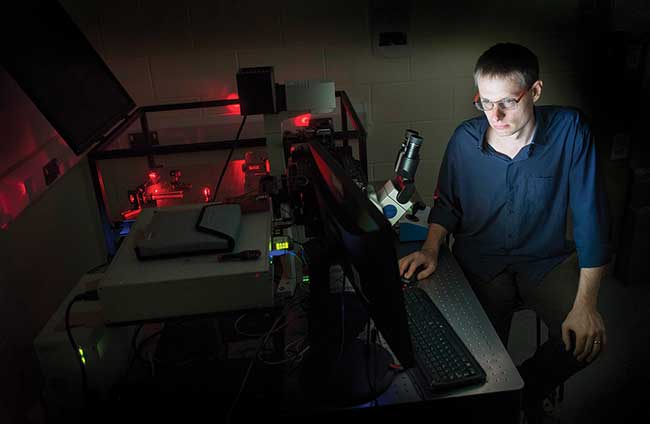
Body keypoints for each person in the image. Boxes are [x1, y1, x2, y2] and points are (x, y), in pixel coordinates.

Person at [398, 42, 611, 423]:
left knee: (586, 341)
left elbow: (591, 219)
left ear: (536, 91)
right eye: (485, 102)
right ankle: (498, 396)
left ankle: (527, 389)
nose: (494, 115)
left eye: (508, 102)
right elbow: (447, 204)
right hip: (482, 261)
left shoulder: (570, 130)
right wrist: (431, 248)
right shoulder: (465, 139)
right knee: (476, 355)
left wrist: (587, 304)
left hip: (545, 260)